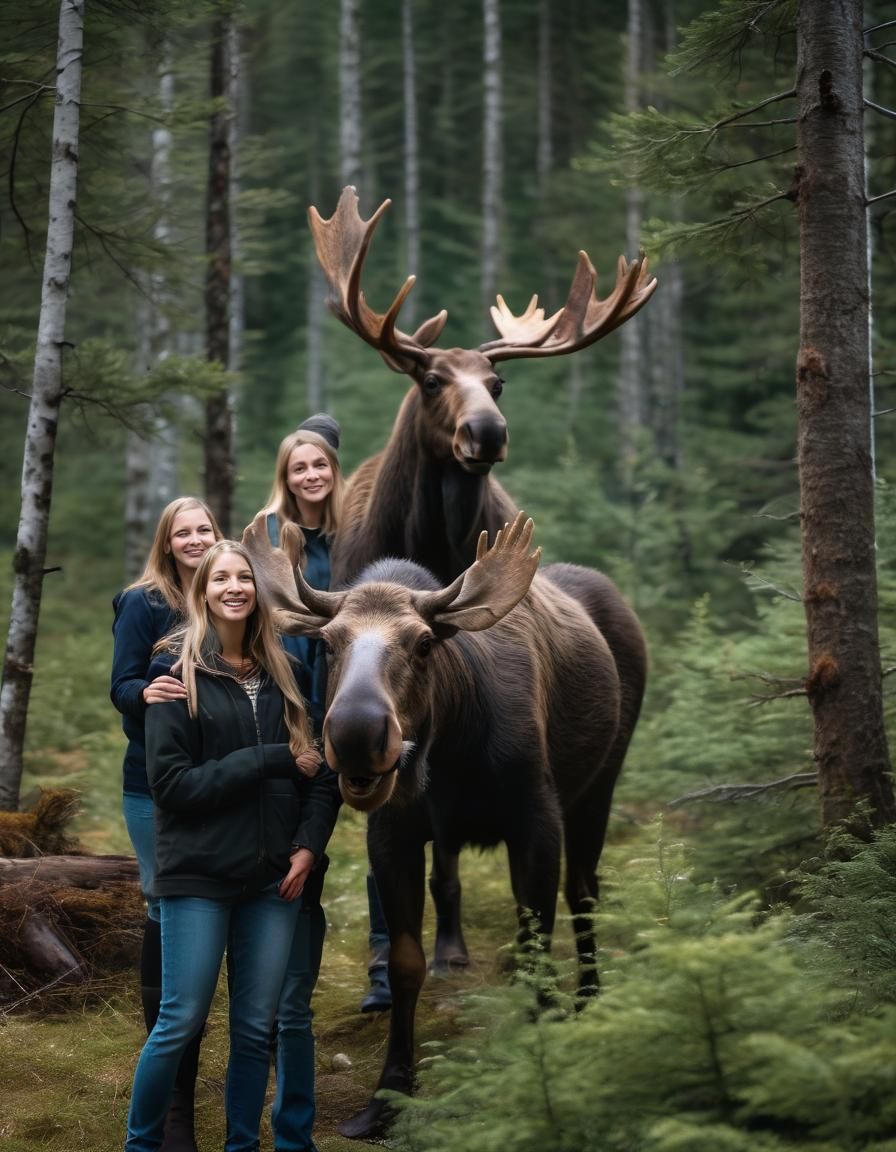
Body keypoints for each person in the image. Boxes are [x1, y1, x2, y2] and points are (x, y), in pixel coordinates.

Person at [124, 540, 340, 1152]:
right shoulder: (174, 676)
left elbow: (321, 775)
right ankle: (140, 1145)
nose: (235, 587)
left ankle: (240, 1145)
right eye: (221, 578)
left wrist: (308, 847)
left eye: (244, 577)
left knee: (254, 1029)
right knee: (179, 1020)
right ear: (203, 591)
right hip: (198, 877)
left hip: (274, 881)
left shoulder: (290, 677)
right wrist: (267, 759)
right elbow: (171, 787)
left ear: (257, 590)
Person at [111, 497, 222, 1152]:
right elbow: (121, 685)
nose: (196, 539)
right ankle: (175, 1099)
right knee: (166, 913)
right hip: (153, 789)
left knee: (204, 915)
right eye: (183, 532)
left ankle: (189, 1076)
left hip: (220, 787)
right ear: (166, 541)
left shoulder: (229, 595)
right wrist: (144, 693)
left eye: (205, 529)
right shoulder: (143, 603)